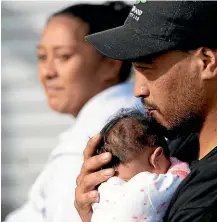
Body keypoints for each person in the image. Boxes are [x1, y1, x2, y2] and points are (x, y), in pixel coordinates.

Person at [75, 1, 217, 222]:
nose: (139, 90)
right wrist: (98, 209)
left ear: (207, 62)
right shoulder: (185, 143)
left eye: (146, 68)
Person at [4, 2, 139, 222]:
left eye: (63, 56)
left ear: (111, 64)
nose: (48, 72)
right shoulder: (133, 113)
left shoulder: (92, 144)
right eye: (41, 57)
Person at [91, 108, 190, 222]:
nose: (128, 185)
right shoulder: (146, 186)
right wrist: (173, 161)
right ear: (157, 158)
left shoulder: (105, 189)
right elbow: (182, 175)